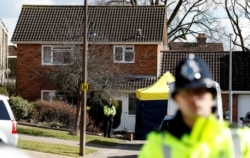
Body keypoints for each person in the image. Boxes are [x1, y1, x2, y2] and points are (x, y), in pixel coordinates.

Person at [139, 54, 250, 158]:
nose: (195, 99)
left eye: (200, 91)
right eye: (187, 93)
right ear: (177, 99)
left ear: (212, 96)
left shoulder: (240, 140)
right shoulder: (155, 146)